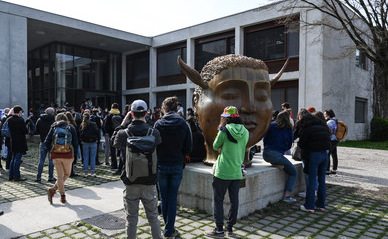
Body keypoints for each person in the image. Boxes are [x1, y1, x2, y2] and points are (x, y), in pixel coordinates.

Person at [177, 55, 288, 166]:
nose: (250, 107)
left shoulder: (224, 131)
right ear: (196, 102)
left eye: (261, 96)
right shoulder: (237, 132)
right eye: (231, 95)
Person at [112, 99, 163, 238]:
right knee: (153, 218)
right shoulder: (154, 132)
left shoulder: (124, 133)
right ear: (146, 113)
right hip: (150, 181)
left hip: (130, 181)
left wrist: (122, 124)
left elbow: (113, 142)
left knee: (131, 219)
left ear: (131, 114)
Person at [205, 106, 248, 237]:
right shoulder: (245, 131)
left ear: (225, 118)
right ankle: (229, 227)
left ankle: (219, 230)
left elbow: (215, 146)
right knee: (234, 200)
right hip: (236, 171)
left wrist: (222, 147)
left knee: (218, 199)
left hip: (223, 171)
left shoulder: (224, 130)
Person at [154, 96, 192, 238]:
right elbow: (189, 148)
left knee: (164, 198)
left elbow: (154, 146)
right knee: (172, 197)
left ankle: (168, 229)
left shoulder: (158, 124)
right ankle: (169, 230)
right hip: (176, 164)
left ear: (164, 108)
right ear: (176, 108)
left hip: (162, 165)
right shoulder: (183, 124)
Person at [298, 113, 331, 213]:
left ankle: (309, 206)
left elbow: (301, 144)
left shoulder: (308, 128)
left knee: (312, 180)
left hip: (314, 155)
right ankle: (321, 205)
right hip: (325, 155)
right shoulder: (323, 127)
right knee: (322, 180)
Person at [262, 110, 297, 202]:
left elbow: (265, 140)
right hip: (277, 155)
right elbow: (289, 145)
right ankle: (287, 196)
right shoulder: (288, 129)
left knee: (282, 163)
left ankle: (278, 164)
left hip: (266, 154)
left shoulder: (271, 125)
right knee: (294, 172)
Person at [45, 113, 78, 204]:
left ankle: (57, 193)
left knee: (60, 176)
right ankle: (56, 192)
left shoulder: (53, 128)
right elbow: (75, 143)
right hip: (68, 154)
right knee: (66, 174)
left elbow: (46, 142)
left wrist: (51, 151)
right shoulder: (71, 128)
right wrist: (75, 156)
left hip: (55, 154)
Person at [34, 107, 56, 182]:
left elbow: (37, 131)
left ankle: (38, 177)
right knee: (51, 160)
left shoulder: (40, 120)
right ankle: (50, 177)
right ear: (53, 113)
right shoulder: (54, 121)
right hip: (52, 142)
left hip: (43, 140)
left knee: (41, 160)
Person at [7, 105, 28, 181]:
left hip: (13, 140)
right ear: (19, 112)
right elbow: (25, 131)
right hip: (20, 141)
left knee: (13, 158)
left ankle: (11, 175)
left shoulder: (9, 119)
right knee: (17, 159)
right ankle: (17, 176)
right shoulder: (20, 120)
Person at [79, 113, 99, 177]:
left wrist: (81, 140)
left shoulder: (82, 125)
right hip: (93, 142)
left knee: (85, 158)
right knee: (93, 157)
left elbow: (80, 134)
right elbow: (97, 132)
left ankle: (86, 172)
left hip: (85, 142)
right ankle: (92, 171)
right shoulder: (93, 124)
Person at [104, 103, 123, 170]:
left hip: (112, 134)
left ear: (112, 107)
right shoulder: (121, 115)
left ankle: (114, 165)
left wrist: (108, 133)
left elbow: (106, 126)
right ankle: (121, 165)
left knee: (112, 151)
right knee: (121, 150)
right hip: (120, 134)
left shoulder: (109, 116)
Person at [324, 109, 339, 175]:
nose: (324, 115)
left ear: (328, 114)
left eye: (325, 114)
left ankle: (327, 170)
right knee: (334, 154)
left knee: (328, 154)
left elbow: (327, 131)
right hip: (336, 139)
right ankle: (334, 169)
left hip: (331, 140)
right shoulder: (336, 120)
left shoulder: (330, 122)